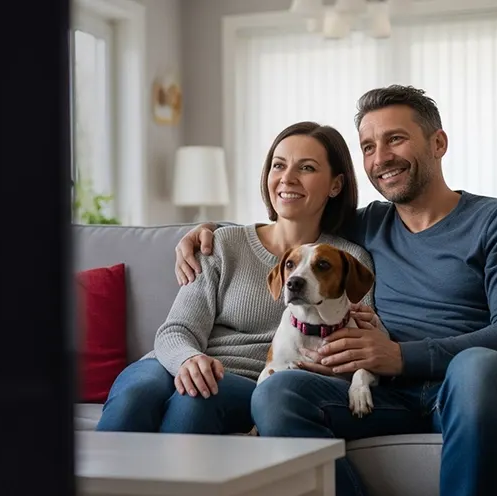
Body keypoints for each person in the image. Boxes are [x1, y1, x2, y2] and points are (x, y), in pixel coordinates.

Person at [173, 86, 497, 496]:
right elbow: (290, 222)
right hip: (388, 392)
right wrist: (205, 233)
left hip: (477, 387)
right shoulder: (366, 227)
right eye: (369, 146)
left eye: (396, 139)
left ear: (438, 142)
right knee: (275, 395)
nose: (381, 158)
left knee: (477, 368)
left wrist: (400, 355)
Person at [95, 121, 373, 434]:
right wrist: (189, 360)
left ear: (335, 185)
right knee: (135, 395)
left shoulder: (349, 261)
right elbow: (177, 329)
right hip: (176, 362)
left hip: (253, 382)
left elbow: (363, 345)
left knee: (197, 399)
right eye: (278, 165)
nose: (287, 178)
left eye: (306, 167)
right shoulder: (222, 243)